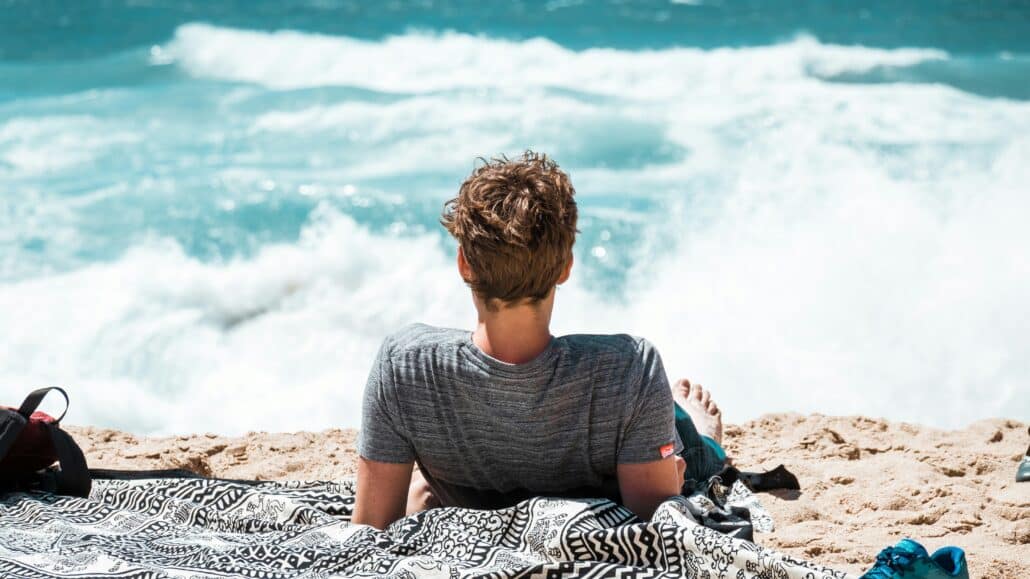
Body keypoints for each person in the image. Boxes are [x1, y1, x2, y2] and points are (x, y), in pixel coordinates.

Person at [353, 152, 727, 530]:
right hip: (617, 456)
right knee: (688, 447)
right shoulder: (628, 366)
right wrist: (671, 482)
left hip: (464, 489)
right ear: (566, 266)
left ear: (464, 263)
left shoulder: (404, 366)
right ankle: (703, 435)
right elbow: (654, 519)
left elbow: (370, 527)